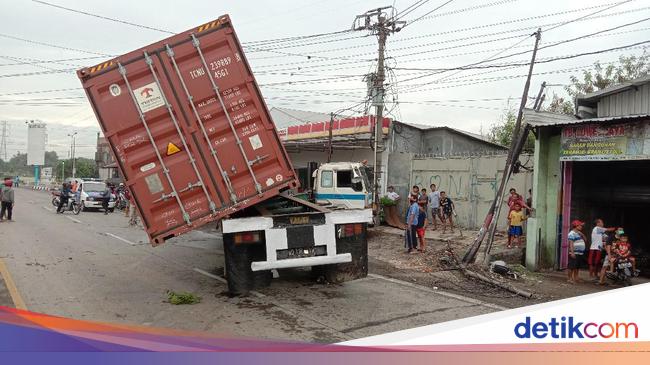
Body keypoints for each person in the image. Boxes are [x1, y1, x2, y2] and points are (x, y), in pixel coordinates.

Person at [567, 220, 587, 284]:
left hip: (580, 253)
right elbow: (571, 243)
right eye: (580, 225)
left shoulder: (579, 233)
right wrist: (572, 252)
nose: (581, 227)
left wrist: (582, 234)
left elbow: (585, 240)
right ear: (576, 226)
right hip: (574, 252)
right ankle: (570, 279)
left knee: (577, 267)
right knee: (571, 266)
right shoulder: (571, 233)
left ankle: (576, 278)